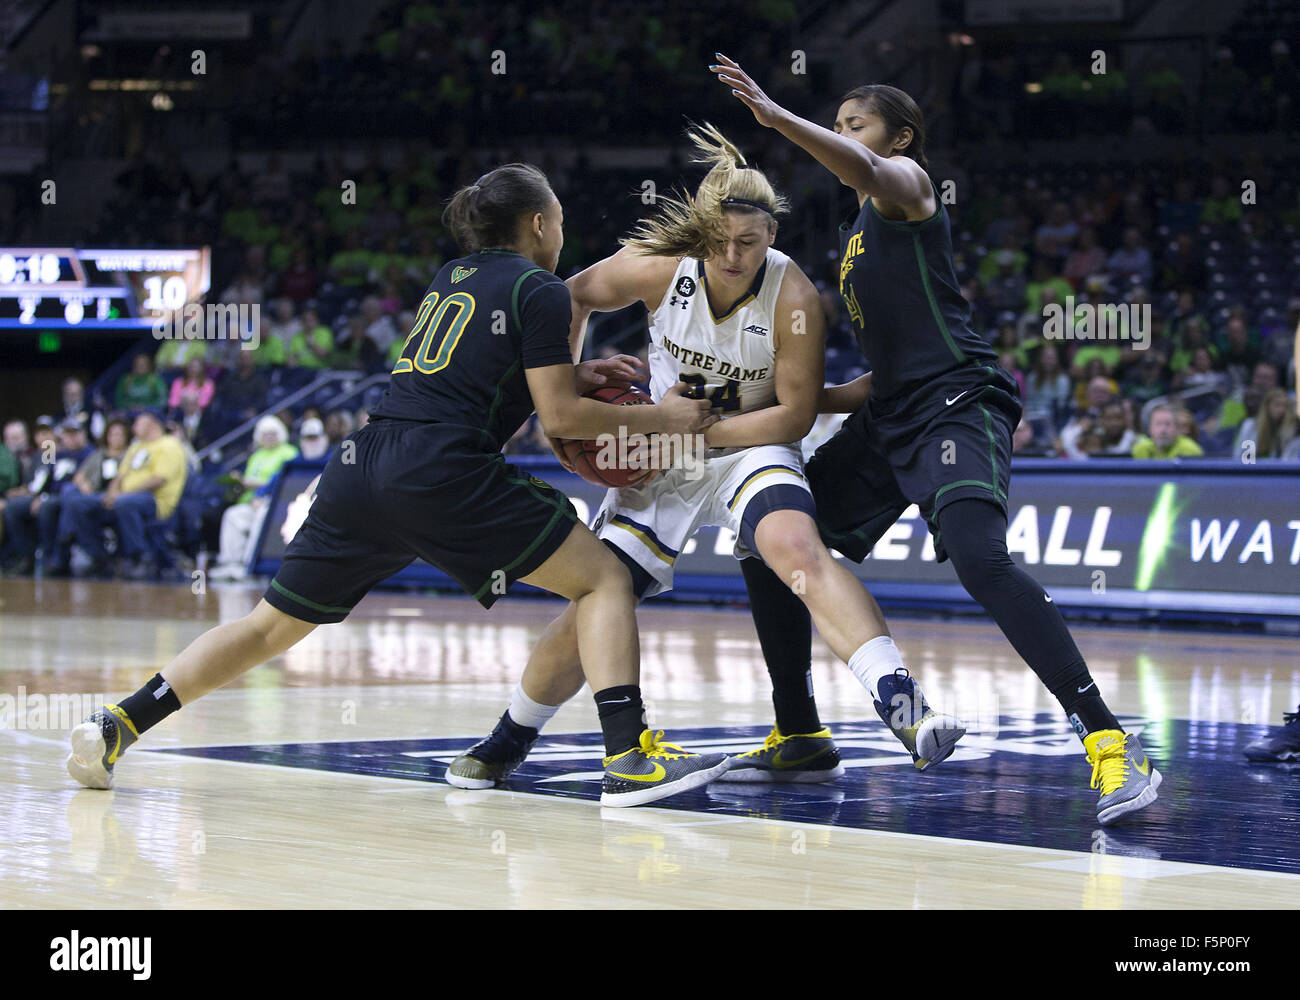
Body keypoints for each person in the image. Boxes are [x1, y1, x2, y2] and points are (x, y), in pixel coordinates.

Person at [66, 162, 727, 809]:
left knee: (268, 627)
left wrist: (576, 376)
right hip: (441, 467)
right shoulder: (540, 287)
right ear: (536, 223)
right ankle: (629, 758)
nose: (561, 232)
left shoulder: (452, 276)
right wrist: (659, 418)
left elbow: (484, 371)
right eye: (558, 220)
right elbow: (558, 418)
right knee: (604, 579)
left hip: (364, 463)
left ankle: (120, 725)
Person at [709, 54, 1160, 824]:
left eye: (859, 126)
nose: (846, 136)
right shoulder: (853, 236)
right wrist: (783, 397)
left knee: (981, 561)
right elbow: (874, 374)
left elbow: (869, 170)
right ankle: (799, 732)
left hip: (956, 402)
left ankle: (1112, 744)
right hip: (890, 411)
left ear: (901, 137)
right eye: (840, 124)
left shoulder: (910, 188)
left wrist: (782, 119)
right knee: (767, 535)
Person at [446, 126, 964, 791]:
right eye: (719, 241)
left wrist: (693, 431)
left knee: (797, 550)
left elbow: (796, 416)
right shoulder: (659, 264)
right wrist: (568, 383)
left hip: (750, 443)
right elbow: (566, 295)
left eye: (749, 243)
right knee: (600, 597)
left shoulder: (795, 297)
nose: (731, 255)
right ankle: (509, 738)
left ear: (771, 236)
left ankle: (903, 707)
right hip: (666, 452)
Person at [1131, 404, 1203, 459]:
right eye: (1158, 424)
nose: (1163, 430)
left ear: (1177, 428)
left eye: (1168, 424)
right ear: (1150, 429)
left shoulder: (1189, 449)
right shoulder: (1140, 449)